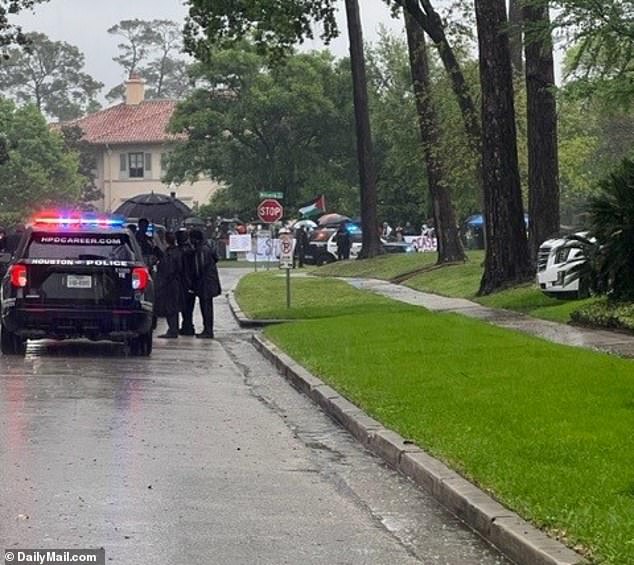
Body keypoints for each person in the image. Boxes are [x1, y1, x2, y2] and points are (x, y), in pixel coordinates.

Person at [190, 229, 221, 339]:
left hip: (205, 283)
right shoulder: (207, 248)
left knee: (206, 307)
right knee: (207, 307)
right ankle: (207, 329)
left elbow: (199, 268)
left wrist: (194, 282)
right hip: (209, 282)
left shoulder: (201, 250)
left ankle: (208, 330)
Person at [154, 232, 184, 339]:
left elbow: (168, 270)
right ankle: (173, 329)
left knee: (170, 307)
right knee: (172, 307)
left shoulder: (171, 253)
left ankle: (172, 330)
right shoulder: (175, 252)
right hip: (174, 283)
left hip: (170, 284)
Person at [176, 229, 196, 336]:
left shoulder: (185, 251)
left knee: (186, 306)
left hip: (186, 282)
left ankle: (188, 326)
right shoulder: (190, 249)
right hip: (188, 282)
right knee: (187, 307)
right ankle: (187, 325)